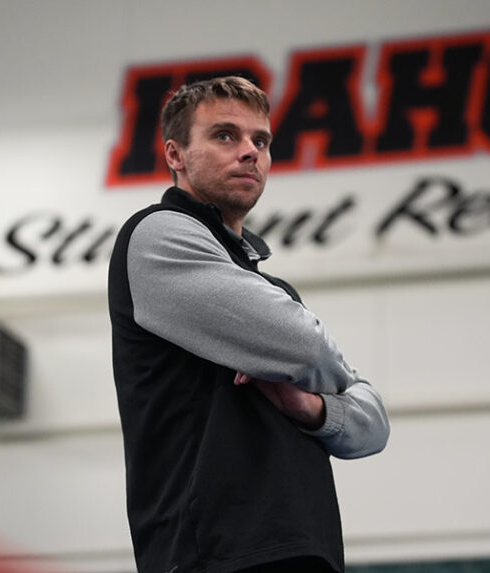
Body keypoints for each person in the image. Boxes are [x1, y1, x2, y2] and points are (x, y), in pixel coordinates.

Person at [108, 76, 390, 573]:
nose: (249, 152)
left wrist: (309, 406)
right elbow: (303, 344)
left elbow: (373, 424)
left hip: (303, 551)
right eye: (224, 136)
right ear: (175, 155)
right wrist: (312, 367)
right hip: (213, 556)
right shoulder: (157, 235)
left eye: (260, 141)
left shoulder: (274, 294)